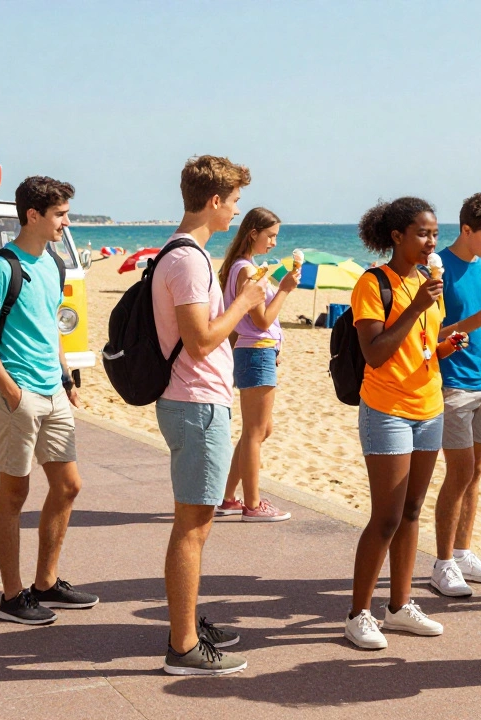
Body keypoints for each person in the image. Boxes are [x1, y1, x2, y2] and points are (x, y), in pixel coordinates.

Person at [0, 176, 98, 627]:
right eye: (60, 214)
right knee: (15, 492)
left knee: (68, 485)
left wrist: (65, 378)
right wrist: (11, 391)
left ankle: (46, 583)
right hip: (16, 395)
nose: (67, 222)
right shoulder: (1, 267)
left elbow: (50, 325)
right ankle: (10, 596)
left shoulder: (53, 262)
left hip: (52, 390)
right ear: (33, 215)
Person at [154, 155, 267, 675]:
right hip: (197, 402)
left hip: (192, 401)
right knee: (193, 528)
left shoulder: (179, 254)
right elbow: (200, 341)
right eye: (235, 201)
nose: (236, 212)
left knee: (194, 524)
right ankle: (183, 647)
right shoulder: (190, 260)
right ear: (215, 201)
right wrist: (244, 301)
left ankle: (188, 626)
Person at [346, 197, 456, 650]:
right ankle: (358, 614)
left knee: (412, 512)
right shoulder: (374, 284)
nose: (432, 242)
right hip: (387, 409)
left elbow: (420, 345)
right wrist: (414, 308)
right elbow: (375, 352)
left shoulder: (431, 283)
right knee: (387, 517)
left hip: (429, 406)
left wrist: (446, 347)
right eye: (423, 233)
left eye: (434, 233)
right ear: (397, 237)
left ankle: (398, 606)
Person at [427, 192, 481, 598]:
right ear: (465, 229)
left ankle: (462, 553)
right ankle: (442, 563)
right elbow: (427, 335)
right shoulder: (438, 269)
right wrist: (474, 320)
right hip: (452, 385)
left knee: (476, 474)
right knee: (458, 474)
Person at [215, 207, 299, 522]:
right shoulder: (247, 270)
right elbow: (262, 320)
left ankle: (227, 497)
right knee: (254, 430)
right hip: (256, 351)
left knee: (262, 429)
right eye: (271, 235)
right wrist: (286, 290)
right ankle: (252, 504)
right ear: (254, 233)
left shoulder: (242, 267)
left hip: (254, 352)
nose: (274, 243)